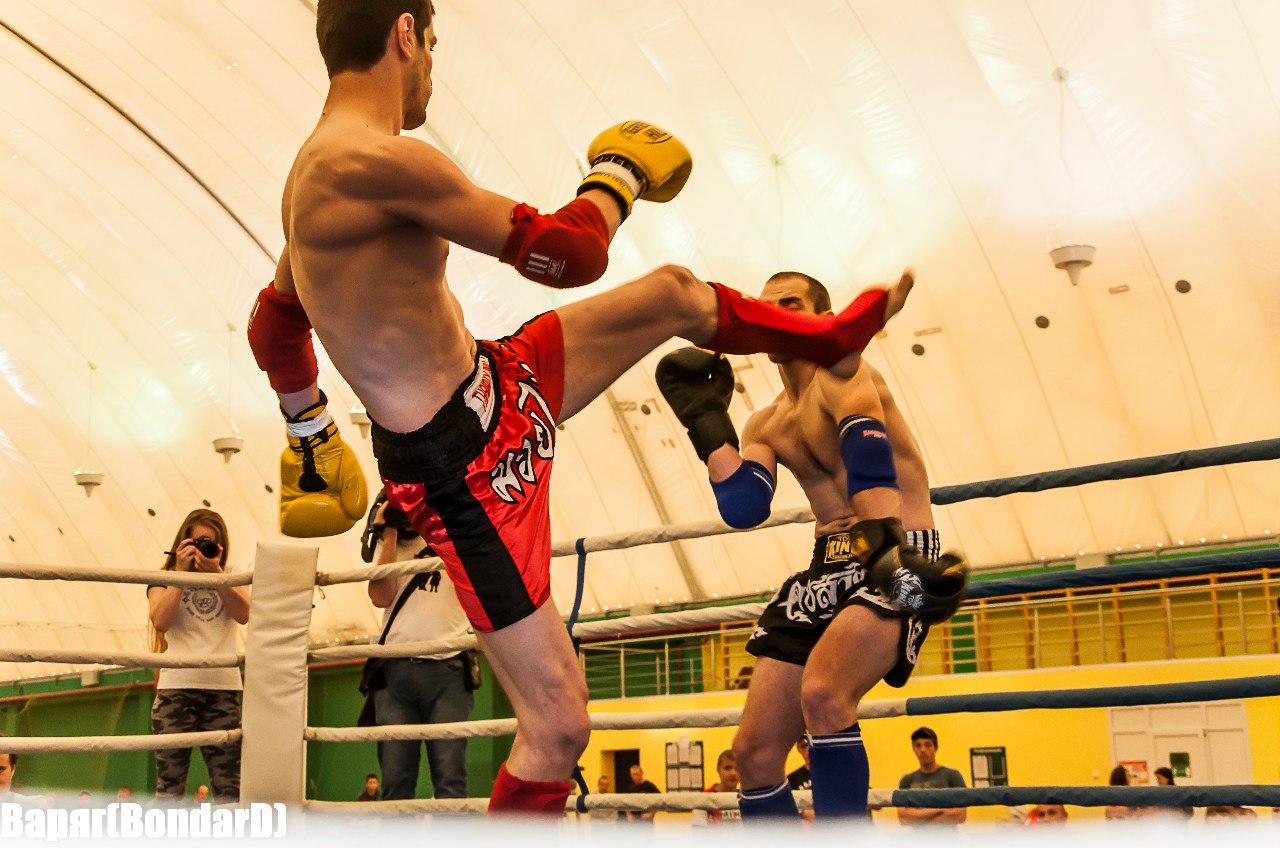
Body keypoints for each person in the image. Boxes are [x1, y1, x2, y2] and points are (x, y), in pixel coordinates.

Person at [245, 0, 912, 817]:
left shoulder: (328, 172)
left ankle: (827, 333)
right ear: (406, 34)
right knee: (557, 725)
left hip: (498, 379)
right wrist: (616, 179)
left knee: (671, 291)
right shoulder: (369, 163)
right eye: (433, 45)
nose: (432, 70)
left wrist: (308, 427)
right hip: (460, 469)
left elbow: (273, 319)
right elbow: (565, 253)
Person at [655, 272, 966, 820]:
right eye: (766, 305)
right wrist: (706, 421)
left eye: (791, 303)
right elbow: (744, 505)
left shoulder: (847, 374)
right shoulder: (766, 420)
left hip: (897, 549)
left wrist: (891, 558)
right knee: (753, 754)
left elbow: (870, 463)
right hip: (826, 568)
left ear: (823, 319)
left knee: (824, 696)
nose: (775, 311)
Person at [366, 494, 473, 800]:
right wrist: (388, 534)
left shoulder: (455, 532)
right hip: (394, 669)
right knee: (395, 779)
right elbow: (380, 597)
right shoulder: (391, 543)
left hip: (448, 667)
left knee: (450, 778)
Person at [147, 509, 250, 804]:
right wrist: (179, 574)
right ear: (182, 542)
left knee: (230, 788)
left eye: (210, 544)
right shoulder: (162, 577)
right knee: (169, 789)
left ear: (221, 547)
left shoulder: (232, 574)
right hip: (176, 688)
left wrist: (215, 573)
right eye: (196, 542)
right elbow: (160, 622)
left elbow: (244, 614)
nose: (202, 549)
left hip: (223, 688)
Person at [896, 728, 967, 827]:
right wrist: (940, 809)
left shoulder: (953, 775)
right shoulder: (907, 780)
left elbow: (960, 815)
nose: (923, 750)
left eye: (928, 745)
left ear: (935, 748)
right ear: (913, 749)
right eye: (918, 745)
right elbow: (903, 818)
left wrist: (918, 816)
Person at [693, 750, 741, 826]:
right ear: (718, 771)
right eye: (727, 768)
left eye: (737, 768)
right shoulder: (703, 798)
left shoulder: (746, 799)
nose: (733, 773)